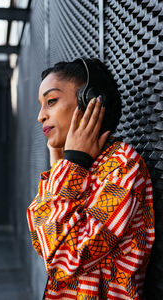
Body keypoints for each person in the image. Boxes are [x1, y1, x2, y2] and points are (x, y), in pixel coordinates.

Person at [27, 58, 155, 300]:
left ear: (90, 101)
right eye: (41, 105)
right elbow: (40, 240)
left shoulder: (122, 165)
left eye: (51, 102)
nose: (40, 117)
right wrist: (64, 166)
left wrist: (71, 165)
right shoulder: (71, 167)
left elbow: (65, 257)